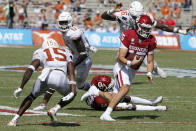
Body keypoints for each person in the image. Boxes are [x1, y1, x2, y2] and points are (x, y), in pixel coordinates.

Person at [82, 14, 159, 121]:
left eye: (148, 29)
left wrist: (149, 73)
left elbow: (150, 61)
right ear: (138, 26)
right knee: (125, 88)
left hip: (132, 70)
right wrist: (130, 63)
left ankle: (96, 92)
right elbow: (120, 57)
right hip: (122, 66)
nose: (146, 31)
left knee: (118, 98)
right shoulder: (128, 35)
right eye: (144, 28)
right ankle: (106, 114)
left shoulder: (151, 40)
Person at [18, 11, 97, 111]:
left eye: (65, 22)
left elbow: (83, 53)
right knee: (57, 75)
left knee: (79, 85)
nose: (63, 24)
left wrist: (71, 66)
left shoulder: (73, 33)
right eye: (62, 22)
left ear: (70, 22)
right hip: (76, 57)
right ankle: (43, 104)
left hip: (83, 61)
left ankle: (96, 92)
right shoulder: (68, 31)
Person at [101, 1, 193, 80]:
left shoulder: (145, 17)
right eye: (134, 17)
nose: (136, 19)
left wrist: (179, 30)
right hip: (126, 41)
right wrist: (112, 10)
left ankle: (156, 68)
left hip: (139, 40)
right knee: (120, 61)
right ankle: (119, 83)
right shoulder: (123, 14)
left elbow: (161, 26)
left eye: (138, 16)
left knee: (147, 59)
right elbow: (104, 16)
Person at [8, 38, 77, 126]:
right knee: (73, 93)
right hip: (60, 77)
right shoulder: (66, 51)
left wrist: (21, 87)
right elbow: (71, 70)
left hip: (45, 76)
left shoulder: (41, 51)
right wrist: (72, 91)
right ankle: (54, 109)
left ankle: (14, 119)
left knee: (32, 96)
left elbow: (31, 69)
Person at [83, 75, 167, 111]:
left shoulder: (96, 80)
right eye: (109, 86)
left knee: (125, 97)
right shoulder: (100, 100)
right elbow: (103, 100)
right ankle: (155, 108)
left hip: (100, 97)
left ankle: (151, 102)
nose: (111, 88)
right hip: (102, 104)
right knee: (128, 106)